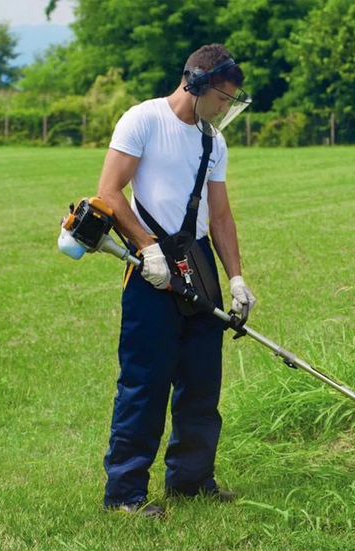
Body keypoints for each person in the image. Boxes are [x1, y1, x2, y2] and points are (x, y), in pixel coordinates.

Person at [96, 44, 256, 518]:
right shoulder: (143, 120)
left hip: (198, 262)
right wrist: (146, 247)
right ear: (198, 84)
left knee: (202, 381)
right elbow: (109, 192)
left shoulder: (214, 142)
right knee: (145, 382)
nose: (226, 108)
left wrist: (237, 278)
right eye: (224, 99)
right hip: (150, 265)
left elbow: (221, 215)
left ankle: (191, 480)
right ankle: (125, 494)